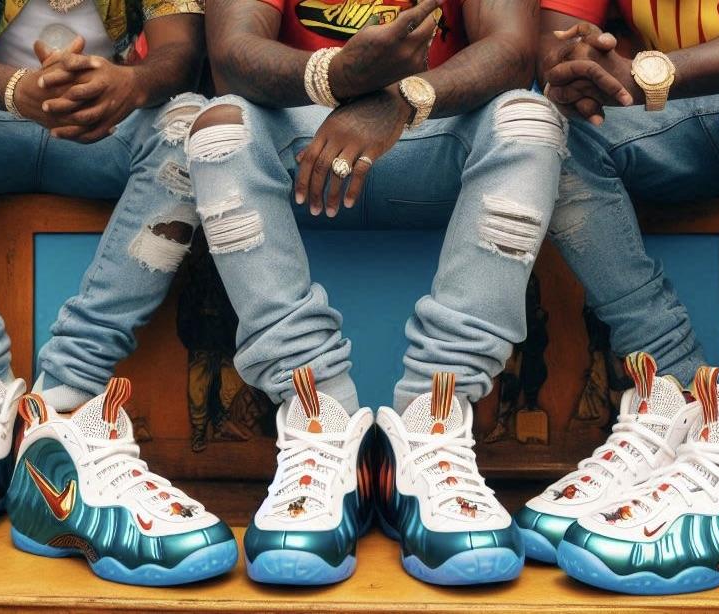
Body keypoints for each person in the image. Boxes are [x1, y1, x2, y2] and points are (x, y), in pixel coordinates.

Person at [0, 0, 236, 585]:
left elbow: (179, 48)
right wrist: (14, 89)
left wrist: (129, 84)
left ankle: (62, 403)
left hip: (109, 126)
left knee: (193, 123)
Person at [191, 0, 567, 586]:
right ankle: (319, 417)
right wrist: (339, 77)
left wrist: (402, 99)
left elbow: (513, 51)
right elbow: (231, 57)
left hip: (436, 125)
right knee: (219, 128)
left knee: (528, 118)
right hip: (305, 134)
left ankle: (431, 421)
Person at [515, 0, 719, 593]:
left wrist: (650, 72)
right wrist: (580, 62)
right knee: (543, 125)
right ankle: (678, 398)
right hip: (664, 113)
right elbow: (553, 37)